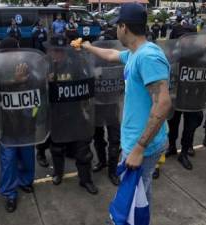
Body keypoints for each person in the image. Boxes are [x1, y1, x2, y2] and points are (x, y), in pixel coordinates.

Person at [82, 3, 171, 204]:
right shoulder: (134, 53)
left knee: (135, 198)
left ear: (124, 27)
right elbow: (112, 55)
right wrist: (88, 47)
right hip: (136, 141)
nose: (115, 30)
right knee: (138, 193)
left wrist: (139, 148)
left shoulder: (147, 57)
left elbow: (163, 103)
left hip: (142, 146)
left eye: (117, 26)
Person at [45, 37, 98, 195]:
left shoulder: (75, 64)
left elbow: (87, 82)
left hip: (75, 113)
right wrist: (46, 82)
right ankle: (58, 174)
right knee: (57, 148)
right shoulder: (46, 67)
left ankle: (86, 180)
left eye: (60, 51)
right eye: (54, 50)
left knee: (83, 150)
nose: (57, 54)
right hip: (56, 114)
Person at [0, 37, 35, 213]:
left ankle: (25, 181)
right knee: (8, 159)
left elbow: (36, 83)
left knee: (27, 155)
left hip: (25, 120)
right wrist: (15, 81)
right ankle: (10, 193)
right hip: (6, 123)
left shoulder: (27, 64)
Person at [167, 18, 201, 170]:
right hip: (175, 94)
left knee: (190, 126)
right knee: (172, 123)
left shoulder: (200, 54)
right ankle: (172, 147)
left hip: (193, 95)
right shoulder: (170, 54)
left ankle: (185, 152)